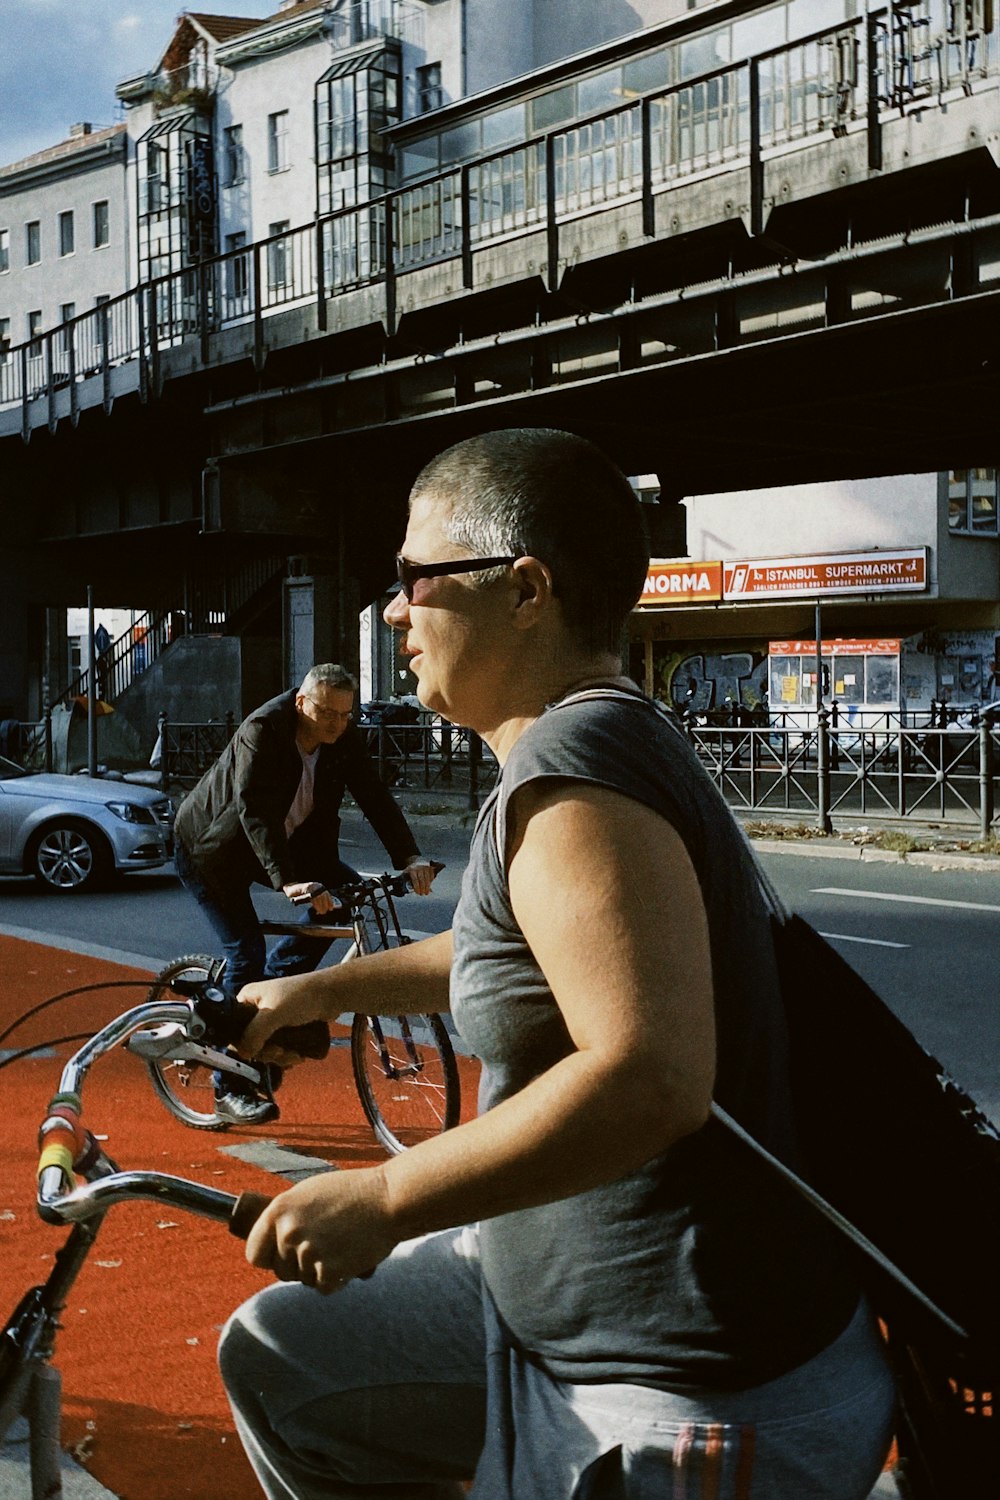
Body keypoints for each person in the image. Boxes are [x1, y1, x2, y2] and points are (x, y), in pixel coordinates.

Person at [218, 431, 896, 1498]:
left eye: (413, 578)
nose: (394, 610)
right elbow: (521, 951)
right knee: (278, 1353)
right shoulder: (577, 744)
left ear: (526, 588)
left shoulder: (572, 772)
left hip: (678, 1384)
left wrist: (389, 1195)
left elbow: (647, 1077)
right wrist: (322, 989)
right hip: (547, 1312)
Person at [172, 663, 435, 1124]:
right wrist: (286, 879)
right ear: (301, 703)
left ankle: (275, 1001)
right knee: (244, 953)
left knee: (346, 902)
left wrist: (409, 857)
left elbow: (374, 795)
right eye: (326, 712)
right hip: (215, 850)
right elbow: (253, 809)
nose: (337, 723)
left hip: (294, 848)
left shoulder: (341, 736)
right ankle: (228, 1084)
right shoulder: (264, 730)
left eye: (345, 714)